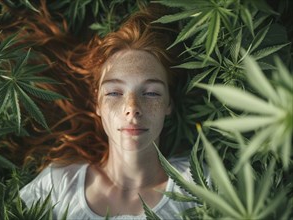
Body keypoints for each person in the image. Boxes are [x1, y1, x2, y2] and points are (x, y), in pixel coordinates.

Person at [17, 4, 197, 219]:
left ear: (169, 103)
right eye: (114, 93)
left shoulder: (198, 184)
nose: (132, 108)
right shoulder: (57, 187)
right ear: (98, 103)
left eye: (150, 93)